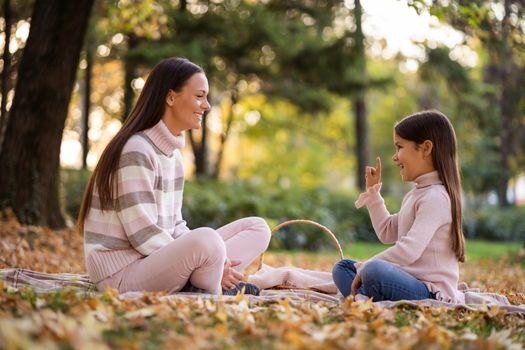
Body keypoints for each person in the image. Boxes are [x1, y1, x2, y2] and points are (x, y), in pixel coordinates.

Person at [78, 57, 271, 296]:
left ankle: (206, 277)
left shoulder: (173, 157)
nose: (206, 105)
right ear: (170, 97)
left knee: (257, 227)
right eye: (199, 96)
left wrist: (211, 259)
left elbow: (176, 226)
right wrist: (210, 256)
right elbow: (143, 235)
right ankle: (212, 286)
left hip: (155, 261)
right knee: (207, 241)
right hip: (122, 273)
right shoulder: (136, 150)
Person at [332, 110, 466, 303]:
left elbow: (410, 249)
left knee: (373, 269)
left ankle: (363, 297)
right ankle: (366, 297)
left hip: (429, 291)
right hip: (405, 281)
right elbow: (387, 232)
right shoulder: (415, 194)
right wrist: (373, 194)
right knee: (343, 267)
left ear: (426, 148)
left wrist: (369, 265)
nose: (394, 157)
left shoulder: (436, 198)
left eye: (399, 147)